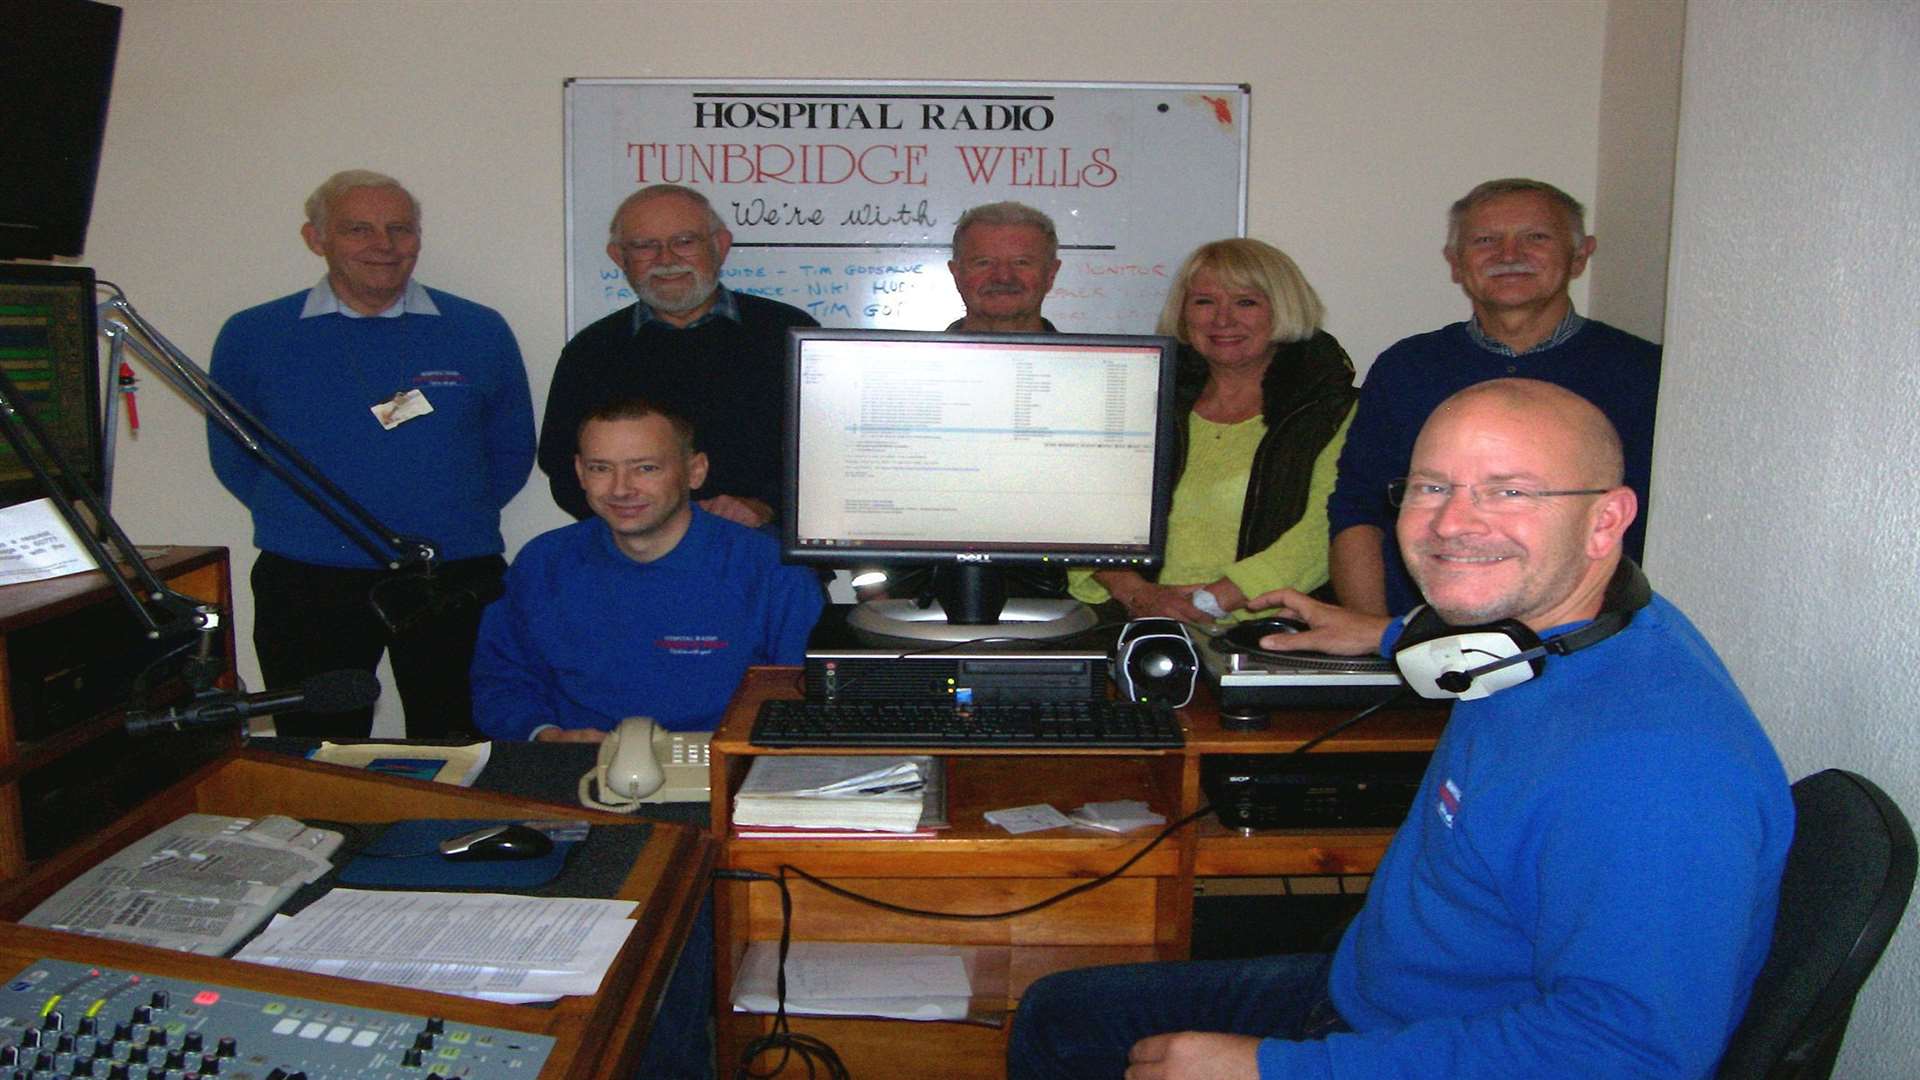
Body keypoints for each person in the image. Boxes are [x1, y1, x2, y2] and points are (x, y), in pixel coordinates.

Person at [1008, 379, 1792, 1080]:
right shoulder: (1579, 632)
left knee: (1069, 1032)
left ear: (1605, 520)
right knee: (1061, 1013)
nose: (1453, 523)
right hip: (1381, 990)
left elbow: (1631, 1053)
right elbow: (1488, 615)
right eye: (1430, 487)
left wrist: (1270, 1070)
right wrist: (1380, 635)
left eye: (1510, 492)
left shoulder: (1649, 768)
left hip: (1426, 1043)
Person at [208, 169, 534, 738]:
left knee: (464, 740)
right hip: (309, 579)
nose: (383, 246)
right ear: (317, 238)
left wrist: (440, 515)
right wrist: (307, 523)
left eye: (400, 229)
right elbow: (234, 455)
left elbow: (510, 451)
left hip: (453, 574)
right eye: (358, 229)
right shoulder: (254, 334)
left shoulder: (479, 330)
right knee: (320, 749)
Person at [1327, 178, 1661, 617]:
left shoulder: (1645, 373)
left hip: (1581, 643)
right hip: (1420, 641)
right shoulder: (1407, 367)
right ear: (1455, 263)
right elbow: (1358, 507)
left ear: (1580, 255)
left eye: (1535, 238)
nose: (1508, 255)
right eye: (1485, 240)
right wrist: (1378, 638)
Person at [473, 399, 823, 742]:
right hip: (574, 768)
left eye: (645, 468)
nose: (621, 488)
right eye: (601, 468)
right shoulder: (542, 564)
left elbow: (804, 698)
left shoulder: (774, 573)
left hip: (724, 769)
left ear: (695, 471)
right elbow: (501, 679)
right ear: (580, 473)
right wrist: (545, 735)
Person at [1069, 239, 1356, 623]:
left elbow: (1326, 533)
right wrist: (1139, 595)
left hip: (1270, 635)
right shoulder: (1139, 404)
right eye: (1204, 301)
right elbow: (1082, 520)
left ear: (1283, 309)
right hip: (1134, 624)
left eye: (1246, 302)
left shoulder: (1336, 413)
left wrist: (1208, 602)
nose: (1222, 320)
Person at [539, 184, 818, 527]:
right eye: (645, 246)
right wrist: (650, 523)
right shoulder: (591, 351)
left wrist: (768, 507)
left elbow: (833, 455)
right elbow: (564, 469)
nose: (666, 260)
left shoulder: (791, 333)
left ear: (720, 246)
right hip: (637, 559)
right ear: (618, 257)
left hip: (766, 549)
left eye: (685, 242)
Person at [946, 201, 1062, 332]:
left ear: (1051, 274)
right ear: (956, 273)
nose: (1004, 277)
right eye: (984, 263)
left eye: (1021, 262)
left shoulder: (1084, 353)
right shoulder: (921, 353)